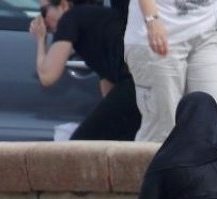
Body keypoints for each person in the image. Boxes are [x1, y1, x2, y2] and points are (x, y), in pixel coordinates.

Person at [123, 0, 217, 142]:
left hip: (209, 30)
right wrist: (152, 19)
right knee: (163, 128)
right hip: (159, 31)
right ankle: (153, 163)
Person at [31, 0, 141, 140]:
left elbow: (47, 76)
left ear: (63, 5)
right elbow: (108, 85)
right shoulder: (97, 20)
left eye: (43, 12)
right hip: (142, 84)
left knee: (81, 145)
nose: (42, 20)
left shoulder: (70, 18)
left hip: (134, 85)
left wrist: (41, 39)